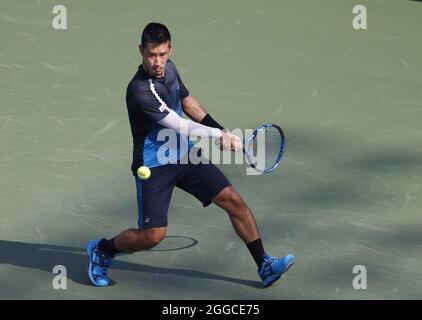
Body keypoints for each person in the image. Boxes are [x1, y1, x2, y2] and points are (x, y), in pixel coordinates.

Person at [86, 22, 295, 288]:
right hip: (154, 164)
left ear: (170, 50)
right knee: (153, 236)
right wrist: (218, 137)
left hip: (184, 154)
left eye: (162, 54)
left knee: (234, 201)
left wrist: (222, 131)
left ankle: (264, 265)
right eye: (151, 54)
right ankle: (103, 249)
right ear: (140, 51)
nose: (157, 61)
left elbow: (188, 102)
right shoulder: (140, 90)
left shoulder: (170, 70)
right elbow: (179, 124)